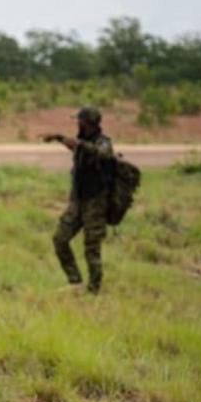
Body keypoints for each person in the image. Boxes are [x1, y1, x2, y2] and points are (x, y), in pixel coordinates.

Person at [45, 106, 115, 293]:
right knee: (60, 239)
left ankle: (93, 290)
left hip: (95, 203)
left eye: (79, 120)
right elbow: (75, 146)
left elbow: (105, 154)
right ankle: (75, 281)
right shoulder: (82, 141)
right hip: (77, 201)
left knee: (91, 249)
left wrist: (78, 145)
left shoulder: (103, 142)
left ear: (87, 123)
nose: (77, 123)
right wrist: (59, 138)